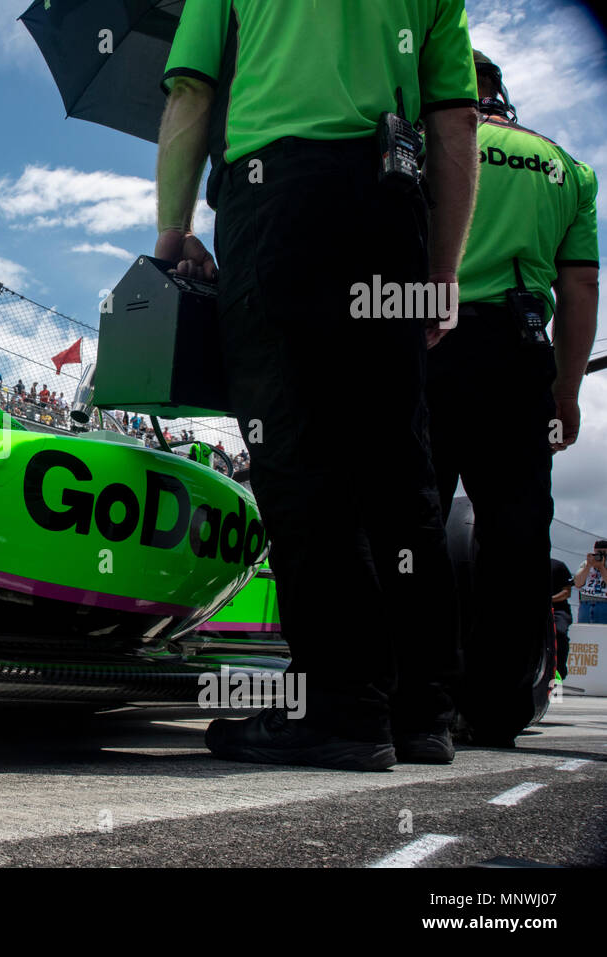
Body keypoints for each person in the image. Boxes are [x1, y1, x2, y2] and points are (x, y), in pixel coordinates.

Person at [158, 0, 478, 769]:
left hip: (276, 202)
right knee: (399, 464)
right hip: (387, 201)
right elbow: (457, 123)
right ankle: (421, 712)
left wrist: (172, 230)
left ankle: (340, 707)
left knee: (299, 456)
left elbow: (191, 94)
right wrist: (442, 269)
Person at [426, 52, 599, 745]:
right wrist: (566, 389)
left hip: (428, 339)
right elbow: (581, 287)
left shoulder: (417, 143)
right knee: (515, 535)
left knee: (409, 521)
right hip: (520, 353)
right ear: (505, 94)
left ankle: (412, 698)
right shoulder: (567, 169)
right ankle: (497, 710)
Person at [551, 558, 574, 680]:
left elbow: (566, 592)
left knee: (559, 632)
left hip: (558, 609)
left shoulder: (559, 565)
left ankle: (560, 669)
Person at [573, 542, 607, 623]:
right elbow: (578, 583)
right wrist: (588, 565)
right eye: (598, 553)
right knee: (585, 632)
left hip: (604, 603)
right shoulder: (586, 563)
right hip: (586, 603)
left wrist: (601, 567)